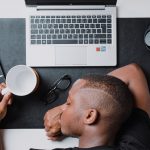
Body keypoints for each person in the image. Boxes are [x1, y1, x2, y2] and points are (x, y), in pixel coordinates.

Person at [43, 63, 150, 150]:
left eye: (69, 103)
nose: (61, 111)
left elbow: (132, 72)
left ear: (89, 116)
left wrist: (64, 112)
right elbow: (132, 72)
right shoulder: (138, 145)